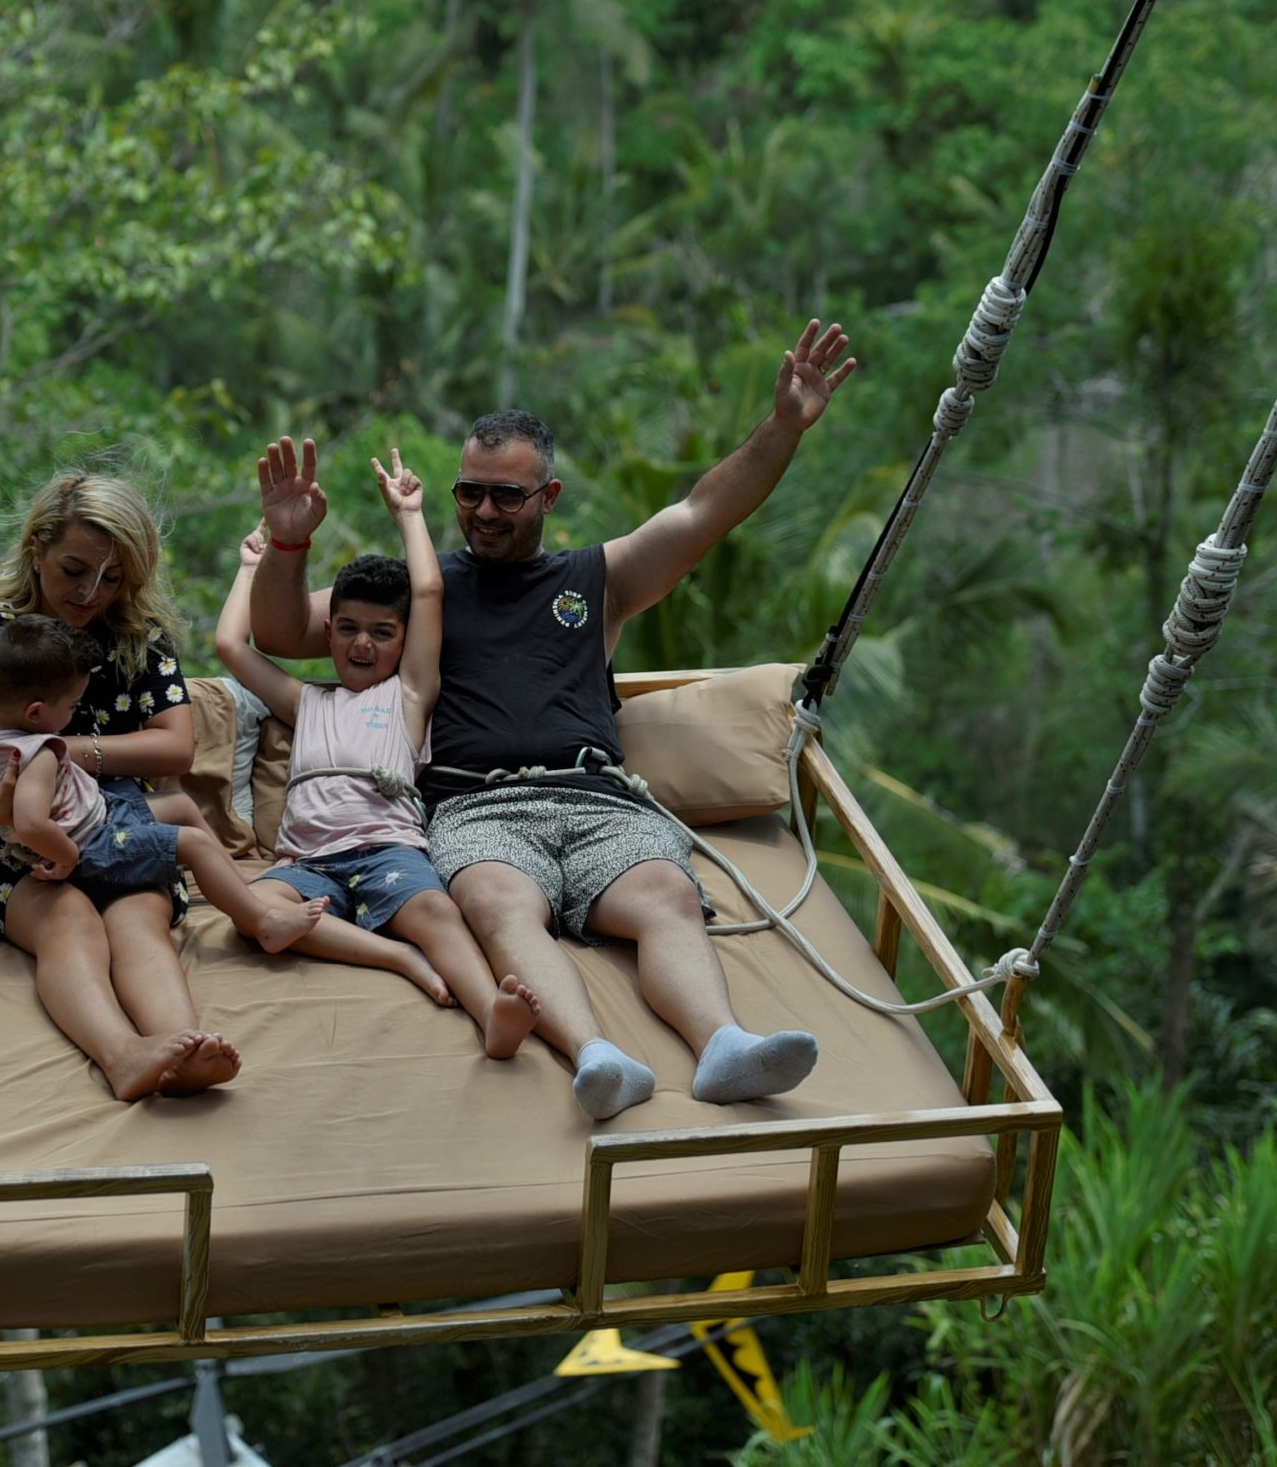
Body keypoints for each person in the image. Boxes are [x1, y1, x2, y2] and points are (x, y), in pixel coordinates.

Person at [247, 321, 861, 1119]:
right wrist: (289, 548)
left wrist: (783, 426)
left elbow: (704, 512)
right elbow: (282, 633)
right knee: (503, 907)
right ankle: (594, 1054)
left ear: (549, 497)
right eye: (471, 491)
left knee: (667, 895)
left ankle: (722, 1047)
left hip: (598, 799)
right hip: (476, 805)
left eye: (507, 494)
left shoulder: (595, 578)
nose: (485, 511)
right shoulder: (418, 593)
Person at [0, 470, 317, 1102]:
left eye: (112, 578)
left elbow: (175, 744)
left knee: (138, 916)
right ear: (37, 550)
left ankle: (182, 1046)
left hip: (107, 822)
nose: (90, 592)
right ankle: (122, 1057)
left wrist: (66, 757)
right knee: (68, 915)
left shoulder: (138, 641)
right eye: (73, 570)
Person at [215, 451, 543, 1057]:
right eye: (346, 628)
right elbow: (230, 645)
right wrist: (250, 566)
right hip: (307, 862)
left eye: (382, 632)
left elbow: (426, 589)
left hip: (388, 850)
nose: (362, 643)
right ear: (329, 631)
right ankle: (397, 957)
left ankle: (489, 1015)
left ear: (402, 638)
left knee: (437, 915)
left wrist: (410, 515)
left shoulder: (409, 696)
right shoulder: (307, 700)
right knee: (253, 910)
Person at [0, 615, 329, 958]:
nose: (73, 714)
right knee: (193, 843)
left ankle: (241, 883)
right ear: (35, 712)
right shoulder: (39, 755)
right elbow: (32, 825)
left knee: (179, 804)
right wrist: (66, 857)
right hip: (90, 843)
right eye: (72, 705)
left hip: (97, 810)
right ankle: (263, 923)